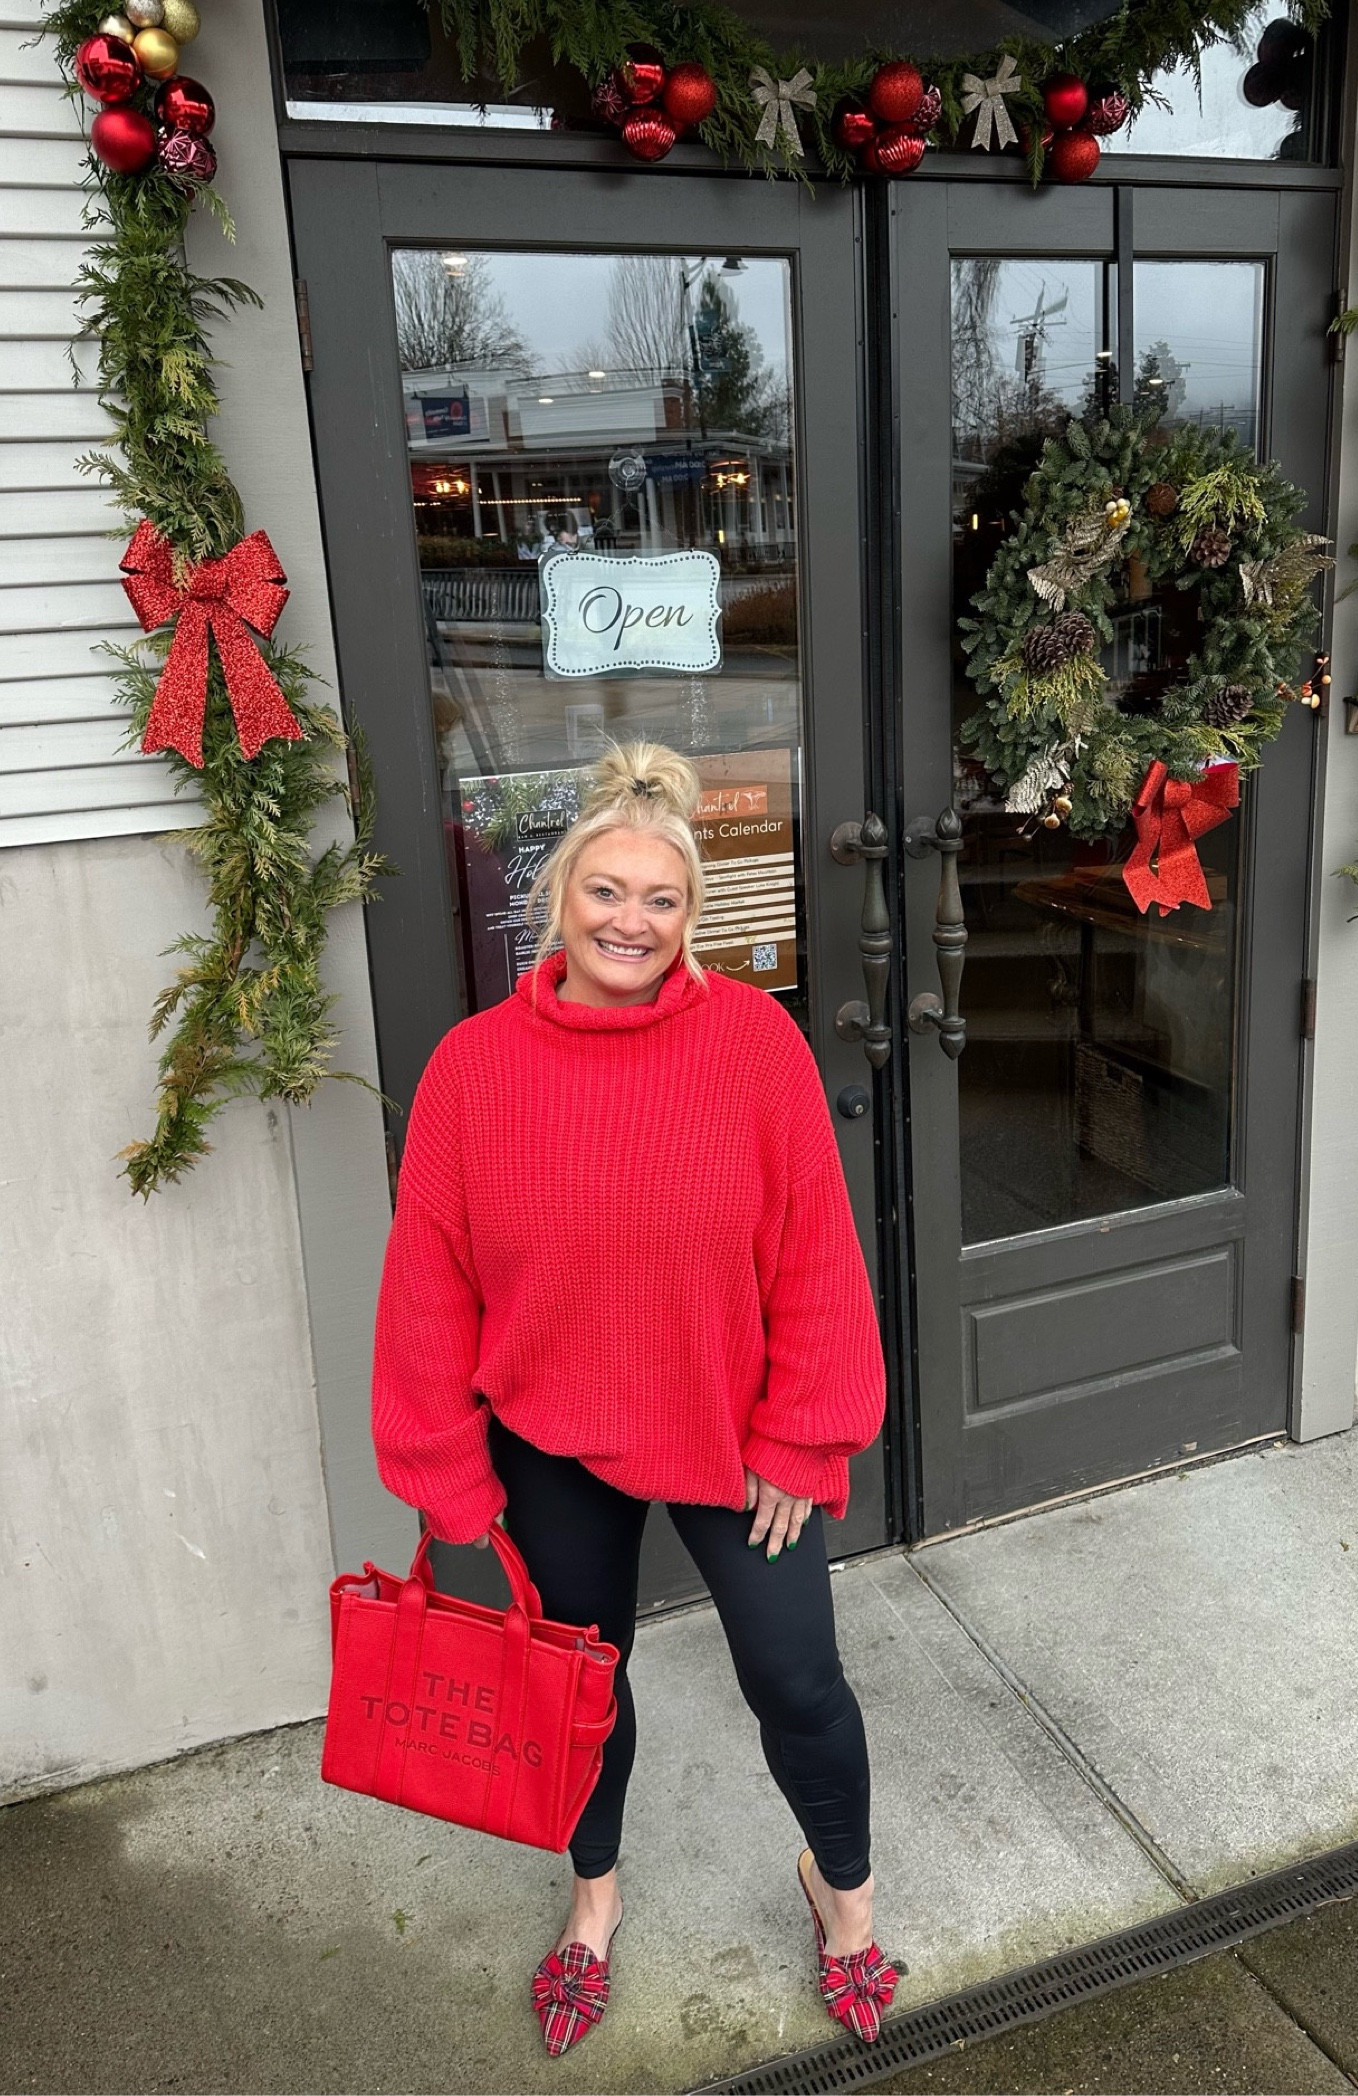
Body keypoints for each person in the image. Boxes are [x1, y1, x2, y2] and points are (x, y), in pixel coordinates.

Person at [371, 742, 895, 2058]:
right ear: (558, 903)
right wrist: (448, 1477)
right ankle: (592, 1902)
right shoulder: (472, 1070)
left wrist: (801, 1427)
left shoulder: (755, 1044)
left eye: (659, 900)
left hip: (729, 1431)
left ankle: (842, 1900)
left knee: (799, 1681)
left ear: (689, 917)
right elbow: (428, 1280)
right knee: (577, 1689)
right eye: (605, 892)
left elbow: (816, 1248)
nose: (629, 921)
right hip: (545, 1435)